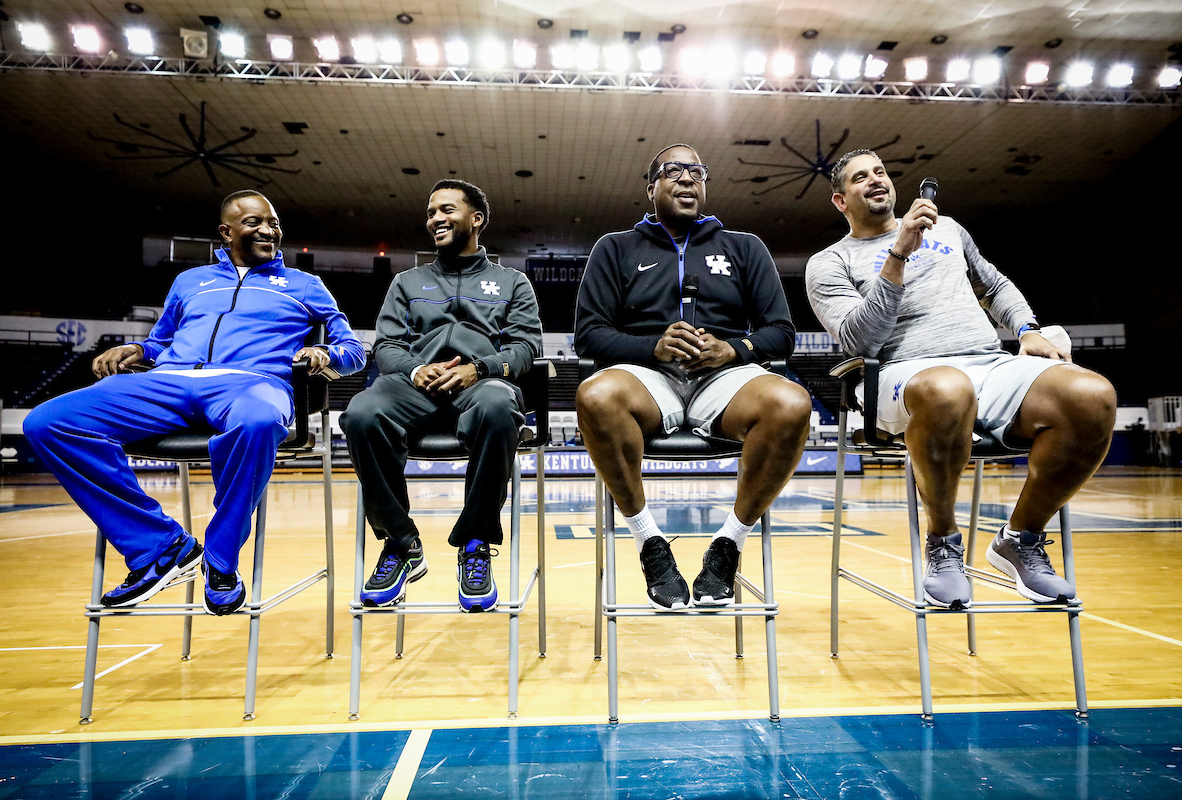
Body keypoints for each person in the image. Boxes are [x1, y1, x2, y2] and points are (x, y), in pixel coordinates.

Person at [23, 190, 366, 615]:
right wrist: (141, 351)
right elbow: (160, 341)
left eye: (274, 223)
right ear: (226, 232)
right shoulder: (189, 281)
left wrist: (326, 354)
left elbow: (354, 351)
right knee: (48, 422)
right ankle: (160, 548)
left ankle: (220, 560)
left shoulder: (306, 285)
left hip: (252, 383)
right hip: (167, 381)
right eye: (255, 222)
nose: (269, 230)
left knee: (258, 422)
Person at [806, 149, 1116, 609]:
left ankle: (1020, 538)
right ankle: (943, 541)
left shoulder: (949, 229)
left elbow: (993, 284)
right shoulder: (829, 263)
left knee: (1093, 394)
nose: (875, 180)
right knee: (948, 387)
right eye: (859, 177)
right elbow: (859, 341)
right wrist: (897, 256)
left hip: (989, 363)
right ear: (840, 201)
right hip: (902, 377)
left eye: (880, 172)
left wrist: (1026, 329)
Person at [574, 144, 811, 611]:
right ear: (651, 188)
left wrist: (733, 349)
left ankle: (729, 543)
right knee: (595, 395)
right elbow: (590, 335)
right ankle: (649, 542)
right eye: (673, 171)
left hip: (723, 379)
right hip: (645, 377)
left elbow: (781, 332)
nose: (687, 178)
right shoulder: (615, 247)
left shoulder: (744, 246)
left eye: (696, 171)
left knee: (792, 402)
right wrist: (651, 346)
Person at [341, 179, 542, 613]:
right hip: (415, 388)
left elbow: (527, 348)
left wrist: (480, 369)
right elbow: (388, 346)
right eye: (431, 212)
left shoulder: (512, 282)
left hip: (481, 387)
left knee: (499, 405)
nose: (435, 219)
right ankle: (400, 542)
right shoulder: (406, 282)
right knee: (360, 413)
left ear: (477, 219)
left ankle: (474, 542)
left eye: (447, 210)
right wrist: (415, 368)